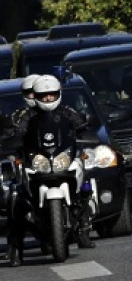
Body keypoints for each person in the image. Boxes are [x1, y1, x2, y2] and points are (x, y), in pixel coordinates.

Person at [6, 76, 93, 266]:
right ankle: (15, 250)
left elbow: (81, 126)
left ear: (59, 94)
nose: (47, 99)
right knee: (16, 199)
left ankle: (84, 229)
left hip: (61, 159)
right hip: (38, 162)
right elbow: (17, 131)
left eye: (51, 95)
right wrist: (13, 139)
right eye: (43, 96)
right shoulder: (26, 115)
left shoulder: (66, 112)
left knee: (85, 185)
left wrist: (86, 132)